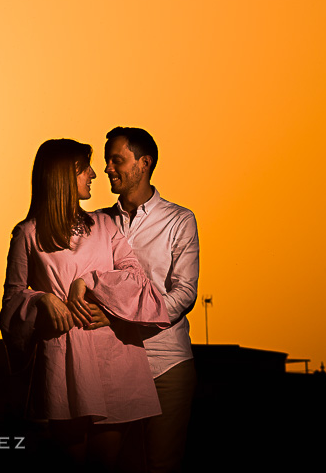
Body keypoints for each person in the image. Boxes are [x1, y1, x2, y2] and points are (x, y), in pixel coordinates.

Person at [1, 139, 171, 470]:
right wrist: (43, 300)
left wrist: (90, 282)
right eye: (84, 169)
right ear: (64, 176)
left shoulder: (106, 225)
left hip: (115, 358)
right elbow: (11, 302)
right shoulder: (28, 234)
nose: (94, 174)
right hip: (65, 363)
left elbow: (137, 278)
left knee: (107, 466)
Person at [97, 127, 200, 473]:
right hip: (111, 366)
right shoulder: (98, 223)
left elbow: (185, 293)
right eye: (107, 160)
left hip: (166, 365)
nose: (108, 168)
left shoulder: (179, 220)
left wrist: (123, 318)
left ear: (145, 163)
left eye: (117, 160)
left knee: (160, 467)